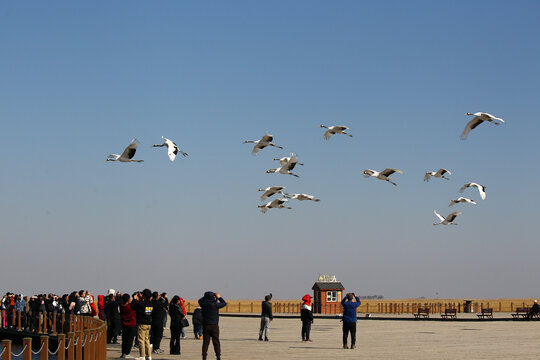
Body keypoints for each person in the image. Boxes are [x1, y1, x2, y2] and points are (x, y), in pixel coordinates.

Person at [198, 291, 227, 360]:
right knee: (216, 341)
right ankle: (218, 356)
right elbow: (224, 303)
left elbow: (199, 301)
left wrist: (205, 296)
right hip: (214, 326)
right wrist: (219, 297)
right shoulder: (215, 305)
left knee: (206, 342)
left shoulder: (204, 304)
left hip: (206, 325)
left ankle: (204, 356)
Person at [132, 289, 153, 360]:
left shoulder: (141, 303)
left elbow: (133, 306)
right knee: (147, 339)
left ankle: (142, 356)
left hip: (142, 323)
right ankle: (149, 355)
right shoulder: (150, 303)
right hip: (148, 323)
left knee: (141, 340)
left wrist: (135, 299)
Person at [119, 293, 137, 359]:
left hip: (124, 324)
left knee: (124, 340)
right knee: (130, 340)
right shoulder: (130, 306)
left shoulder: (121, 306)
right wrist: (134, 299)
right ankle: (127, 353)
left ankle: (123, 353)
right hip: (131, 324)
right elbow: (135, 306)